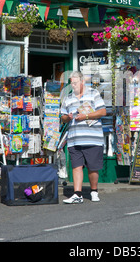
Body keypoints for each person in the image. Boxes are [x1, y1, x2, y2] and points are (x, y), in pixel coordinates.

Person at [60, 71, 106, 204]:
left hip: (92, 137)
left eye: (75, 83)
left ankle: (94, 191)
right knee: (76, 166)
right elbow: (62, 117)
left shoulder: (93, 93)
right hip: (74, 139)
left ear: (82, 82)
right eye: (71, 83)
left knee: (92, 166)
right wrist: (66, 118)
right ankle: (77, 194)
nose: (73, 85)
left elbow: (102, 111)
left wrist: (86, 116)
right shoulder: (68, 97)